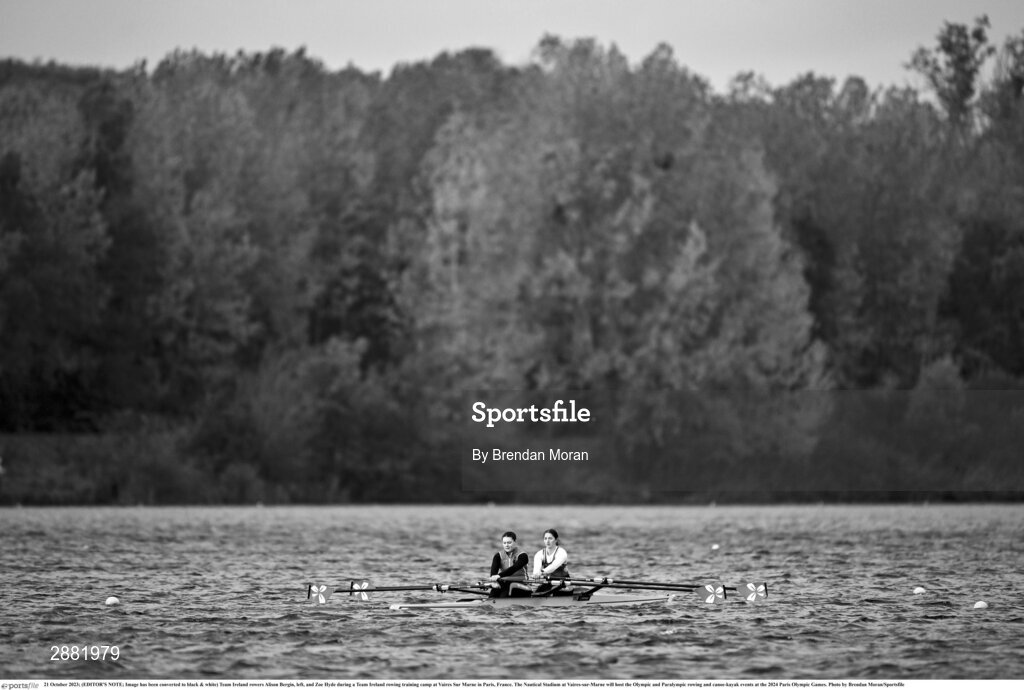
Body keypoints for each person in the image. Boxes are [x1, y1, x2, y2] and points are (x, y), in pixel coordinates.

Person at [487, 531, 530, 598]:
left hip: (521, 583)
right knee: (494, 591)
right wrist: (493, 582)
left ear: (515, 542)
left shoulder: (522, 556)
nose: (506, 545)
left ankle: (502, 604)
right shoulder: (498, 556)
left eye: (509, 543)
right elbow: (493, 574)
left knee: (506, 591)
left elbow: (514, 568)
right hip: (505, 583)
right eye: (504, 543)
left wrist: (499, 576)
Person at [531, 528, 573, 596]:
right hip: (549, 582)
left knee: (555, 591)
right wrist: (536, 574)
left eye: (550, 538)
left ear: (556, 540)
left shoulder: (561, 552)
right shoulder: (539, 554)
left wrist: (541, 572)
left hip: (563, 583)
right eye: (545, 538)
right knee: (534, 594)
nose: (547, 541)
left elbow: (553, 567)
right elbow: (536, 569)